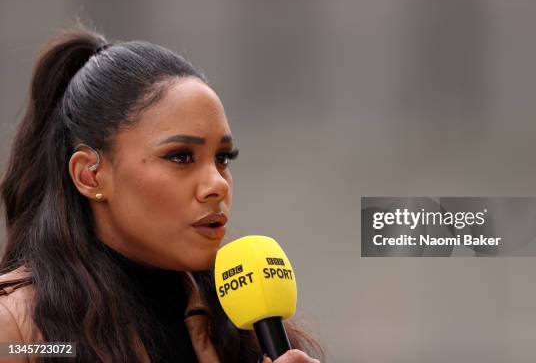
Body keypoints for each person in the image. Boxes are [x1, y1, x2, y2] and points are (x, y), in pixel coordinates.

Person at [0, 27, 322, 362]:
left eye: (222, 159)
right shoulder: (16, 333)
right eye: (180, 157)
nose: (218, 184)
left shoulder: (238, 328)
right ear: (90, 175)